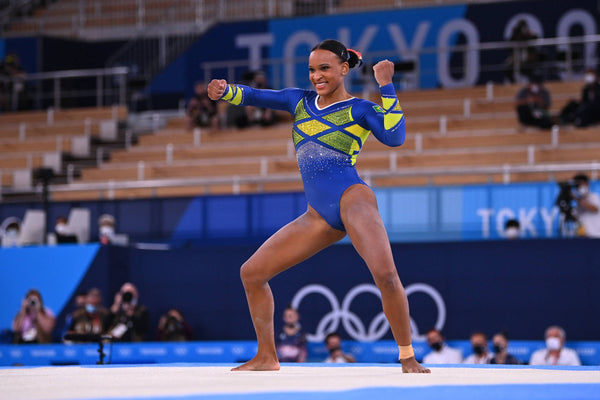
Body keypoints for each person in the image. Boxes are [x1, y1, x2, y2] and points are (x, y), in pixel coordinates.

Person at [208, 39, 429, 373]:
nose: (316, 76)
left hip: (352, 198)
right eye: (311, 69)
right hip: (318, 216)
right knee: (252, 274)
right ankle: (267, 356)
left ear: (343, 68)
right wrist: (226, 91)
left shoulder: (361, 109)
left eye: (324, 68)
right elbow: (254, 96)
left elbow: (394, 137)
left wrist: (386, 86)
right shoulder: (299, 101)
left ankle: (407, 356)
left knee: (385, 274)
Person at [572, 173, 600, 238]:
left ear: (587, 184)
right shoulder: (578, 203)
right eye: (577, 185)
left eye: (580, 184)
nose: (579, 187)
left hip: (595, 235)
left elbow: (594, 209)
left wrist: (578, 199)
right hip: (583, 236)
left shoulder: (593, 197)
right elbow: (576, 219)